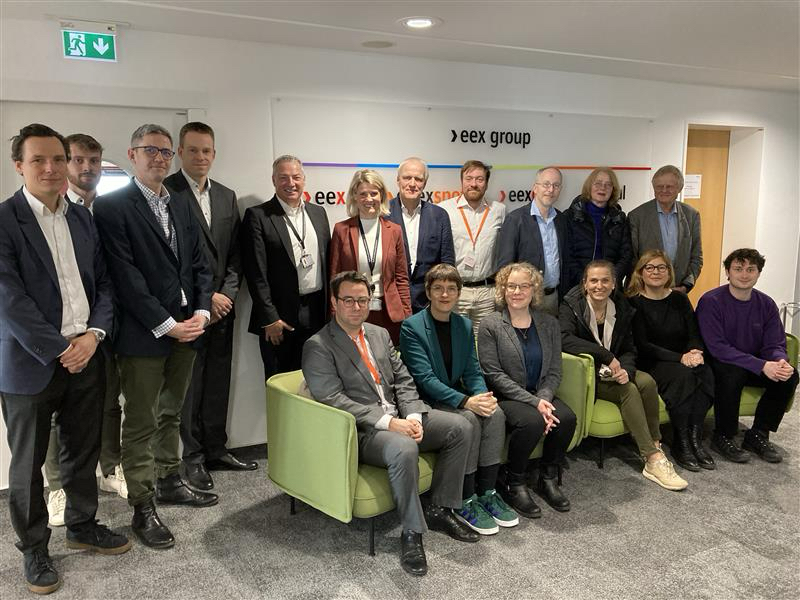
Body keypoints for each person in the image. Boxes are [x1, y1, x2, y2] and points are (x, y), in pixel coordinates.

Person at [0, 124, 130, 595]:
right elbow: (9, 299)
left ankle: (81, 526)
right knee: (28, 464)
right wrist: (62, 349)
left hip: (88, 353)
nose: (51, 168)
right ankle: (34, 547)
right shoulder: (4, 220)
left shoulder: (81, 218)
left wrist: (93, 336)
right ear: (20, 165)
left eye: (58, 159)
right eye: (39, 160)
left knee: (82, 450)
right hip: (30, 363)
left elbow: (104, 285)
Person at [302, 271, 478, 577]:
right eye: (349, 300)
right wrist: (388, 423)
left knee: (460, 427)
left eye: (362, 299)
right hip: (363, 430)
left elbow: (404, 380)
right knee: (404, 447)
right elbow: (333, 399)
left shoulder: (379, 334)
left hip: (399, 415)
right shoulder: (318, 345)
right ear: (334, 302)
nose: (357, 306)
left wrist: (411, 416)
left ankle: (439, 509)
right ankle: (411, 533)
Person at [93, 124, 217, 550]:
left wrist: (201, 312)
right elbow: (125, 277)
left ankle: (168, 478)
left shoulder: (181, 203)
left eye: (166, 152)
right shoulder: (111, 207)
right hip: (144, 335)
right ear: (132, 154)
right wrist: (167, 324)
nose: (160, 158)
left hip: (189, 327)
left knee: (172, 412)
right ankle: (143, 506)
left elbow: (201, 263)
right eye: (151, 151)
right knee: (142, 421)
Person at [164, 122, 254, 492]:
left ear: (214, 154)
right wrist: (206, 299)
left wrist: (227, 294)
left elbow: (235, 254)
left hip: (223, 307)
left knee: (219, 379)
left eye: (207, 151)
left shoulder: (226, 195)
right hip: (187, 311)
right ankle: (194, 457)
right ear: (181, 153)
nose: (201, 157)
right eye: (193, 150)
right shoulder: (166, 192)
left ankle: (217, 447)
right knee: (190, 385)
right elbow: (168, 259)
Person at [44, 133, 127, 531]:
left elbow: (108, 277)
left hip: (105, 326)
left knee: (111, 401)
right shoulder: (51, 211)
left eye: (94, 160)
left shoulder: (108, 208)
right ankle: (57, 486)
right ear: (65, 164)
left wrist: (98, 329)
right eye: (78, 160)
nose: (87, 168)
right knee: (56, 415)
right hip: (59, 335)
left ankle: (110, 467)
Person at [400, 264, 518, 535]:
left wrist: (481, 396)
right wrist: (466, 402)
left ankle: (486, 491)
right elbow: (425, 379)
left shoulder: (463, 324)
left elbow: (472, 369)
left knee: (495, 413)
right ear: (428, 292)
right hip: (425, 402)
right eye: (438, 288)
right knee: (469, 419)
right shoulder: (412, 327)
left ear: (458, 294)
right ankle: (465, 498)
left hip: (456, 396)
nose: (445, 294)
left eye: (451, 289)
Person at [559, 260, 688, 491]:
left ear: (614, 284)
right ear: (585, 284)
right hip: (590, 374)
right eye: (594, 281)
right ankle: (650, 458)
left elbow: (629, 348)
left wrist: (625, 371)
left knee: (646, 381)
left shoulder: (622, 306)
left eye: (605, 280)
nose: (599, 285)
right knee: (628, 390)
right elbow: (564, 339)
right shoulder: (571, 305)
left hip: (616, 369)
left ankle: (656, 444)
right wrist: (606, 356)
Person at [478, 263, 577, 516]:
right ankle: (515, 481)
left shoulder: (549, 323)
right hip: (507, 397)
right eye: (511, 286)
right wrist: (535, 403)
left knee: (566, 418)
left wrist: (543, 398)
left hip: (540, 394)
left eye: (524, 286)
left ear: (534, 290)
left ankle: (548, 478)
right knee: (532, 421)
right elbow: (493, 374)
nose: (517, 291)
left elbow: (554, 370)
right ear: (503, 290)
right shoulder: (491, 324)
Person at [696, 248, 798, 463]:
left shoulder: (766, 304)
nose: (744, 274)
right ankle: (723, 435)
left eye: (751, 269)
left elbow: (775, 342)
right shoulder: (711, 301)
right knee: (732, 374)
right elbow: (718, 348)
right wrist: (761, 365)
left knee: (789, 375)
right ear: (727, 272)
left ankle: (758, 433)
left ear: (758, 273)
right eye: (738, 268)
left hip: (753, 363)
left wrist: (779, 360)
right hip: (719, 362)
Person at [242, 155, 331, 379]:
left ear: (304, 180)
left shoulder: (318, 213)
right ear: (273, 180)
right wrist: (269, 318)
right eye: (283, 178)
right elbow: (256, 273)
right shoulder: (258, 216)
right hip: (279, 319)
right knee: (281, 383)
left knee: (317, 382)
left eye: (296, 177)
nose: (290, 183)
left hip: (317, 314)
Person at [626, 251, 715, 471]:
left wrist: (695, 351)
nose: (656, 272)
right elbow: (643, 345)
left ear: (669, 272)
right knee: (683, 377)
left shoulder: (680, 299)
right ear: (640, 273)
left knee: (706, 372)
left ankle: (695, 437)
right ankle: (681, 441)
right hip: (652, 361)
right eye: (649, 267)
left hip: (683, 358)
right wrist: (681, 358)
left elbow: (693, 332)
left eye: (661, 267)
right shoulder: (633, 302)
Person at [329, 169, 411, 345]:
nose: (369, 199)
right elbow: (334, 276)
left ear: (381, 195)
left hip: (388, 312)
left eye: (373, 193)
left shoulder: (394, 230)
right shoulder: (341, 230)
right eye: (363, 194)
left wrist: (406, 313)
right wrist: (334, 312)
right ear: (354, 197)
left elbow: (401, 277)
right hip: (353, 310)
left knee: (388, 363)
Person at [440, 160, 506, 335]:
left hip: (487, 293)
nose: (474, 184)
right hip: (455, 291)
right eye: (469, 178)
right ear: (462, 181)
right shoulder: (444, 210)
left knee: (484, 346)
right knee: (454, 342)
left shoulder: (499, 210)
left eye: (479, 179)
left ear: (486, 183)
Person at [494, 166, 569, 316]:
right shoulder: (515, 219)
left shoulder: (562, 220)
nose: (551, 189)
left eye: (556, 185)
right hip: (524, 300)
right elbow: (505, 268)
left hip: (554, 299)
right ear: (535, 187)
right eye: (546, 184)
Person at [387, 157, 455, 312]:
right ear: (398, 180)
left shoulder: (439, 215)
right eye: (407, 178)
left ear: (425, 183)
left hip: (428, 303)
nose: (412, 184)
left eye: (418, 179)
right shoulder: (383, 214)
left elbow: (447, 263)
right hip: (391, 303)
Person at [629, 165, 702, 293]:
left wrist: (686, 285)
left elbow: (696, 256)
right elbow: (631, 258)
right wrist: (641, 287)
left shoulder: (691, 215)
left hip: (678, 291)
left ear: (679, 188)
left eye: (669, 186)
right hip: (644, 293)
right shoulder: (636, 216)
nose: (664, 190)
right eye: (659, 187)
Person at [563, 167, 633, 290]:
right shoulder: (570, 216)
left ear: (613, 190)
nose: (603, 188)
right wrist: (585, 281)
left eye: (608, 185)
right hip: (577, 286)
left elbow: (626, 255)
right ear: (589, 186)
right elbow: (567, 255)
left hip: (610, 288)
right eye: (598, 183)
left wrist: (610, 281)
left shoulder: (619, 218)